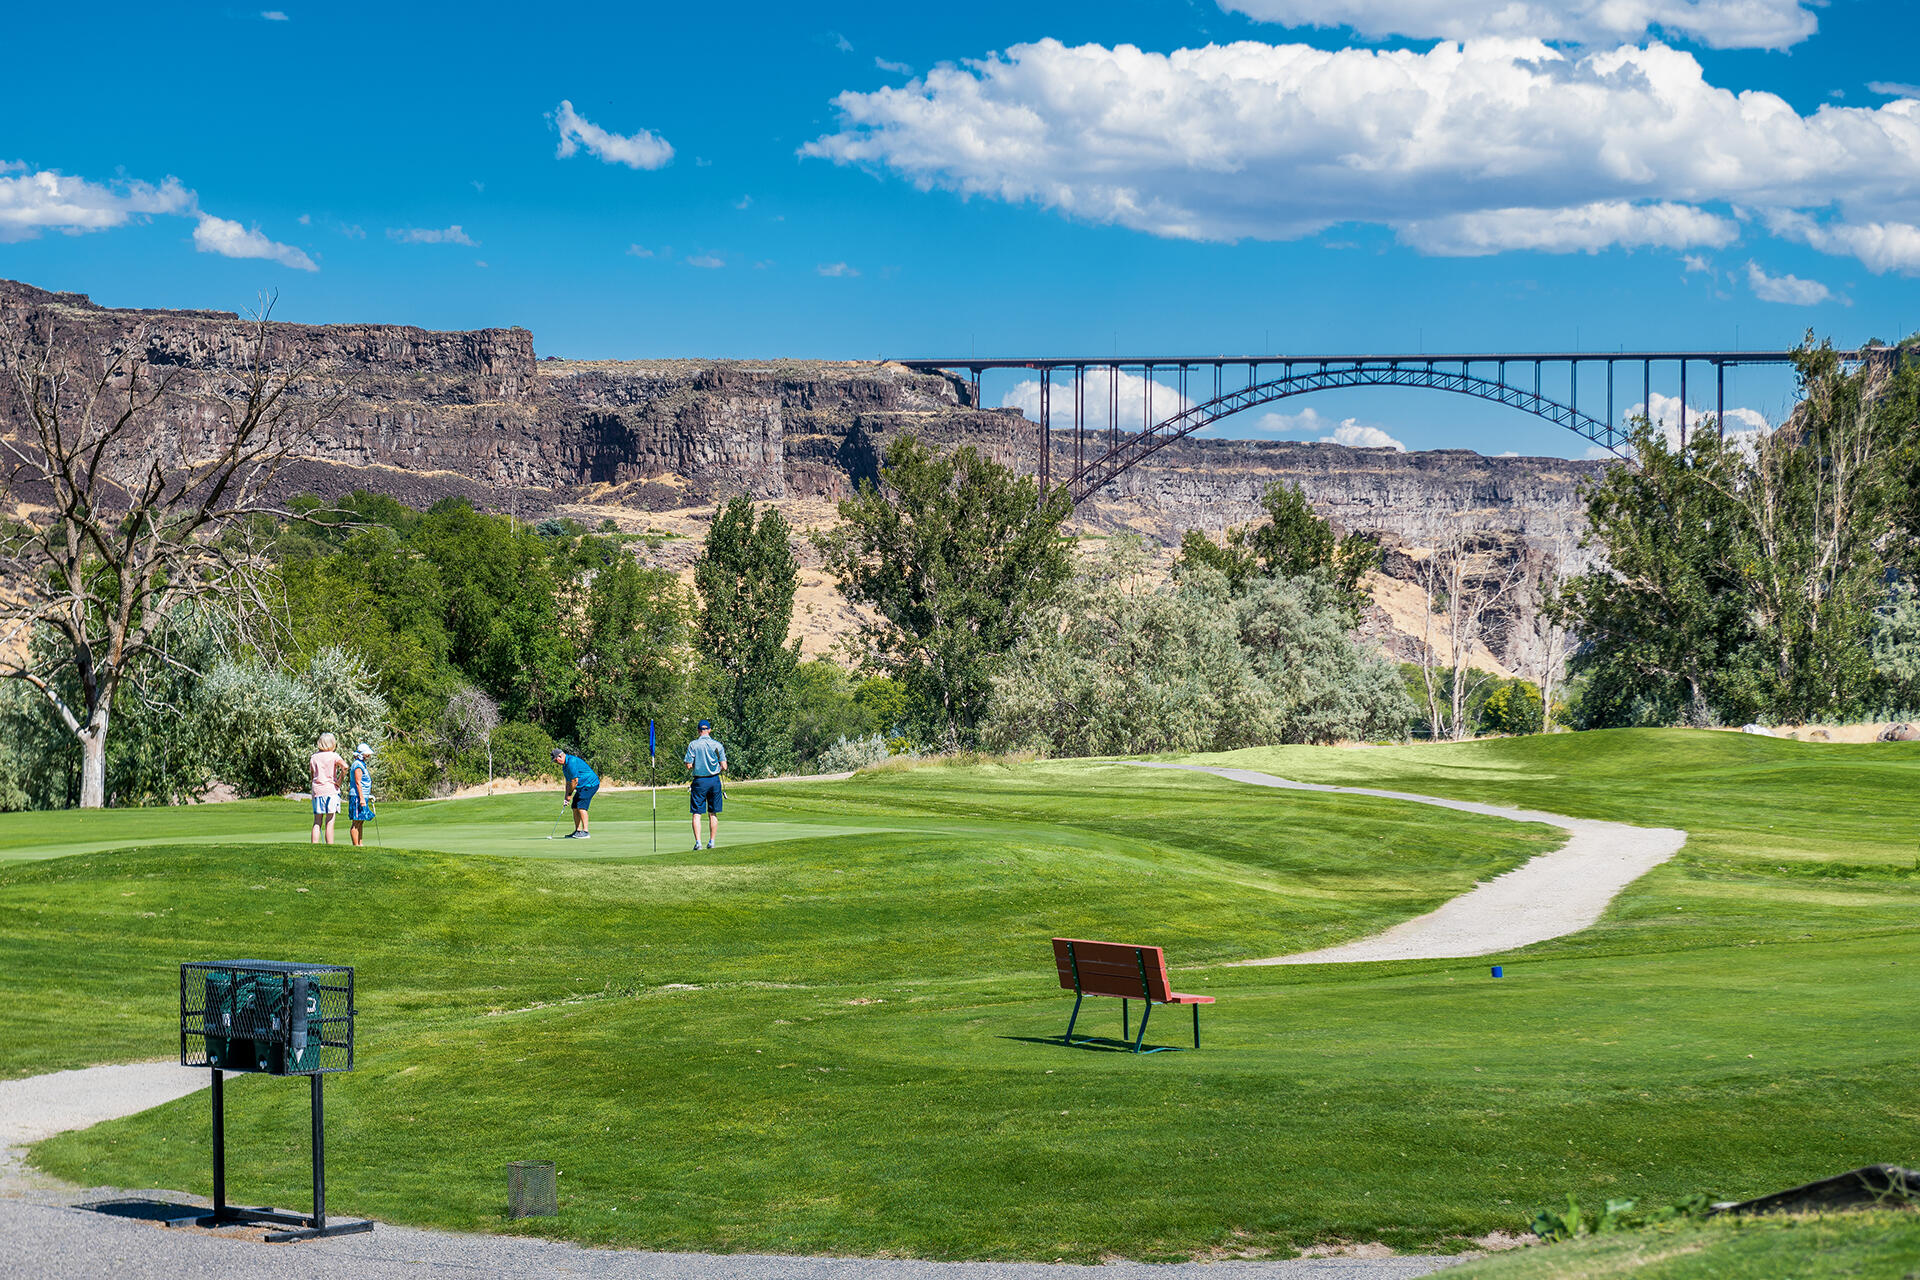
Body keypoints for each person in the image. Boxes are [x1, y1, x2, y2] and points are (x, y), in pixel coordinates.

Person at [684, 719, 727, 850]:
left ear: (698, 731)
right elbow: (724, 766)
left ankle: (698, 843)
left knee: (697, 813)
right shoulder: (717, 745)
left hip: (699, 781)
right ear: (709, 730)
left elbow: (688, 765)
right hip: (714, 781)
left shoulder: (693, 745)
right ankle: (712, 842)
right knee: (712, 813)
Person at [551, 747, 599, 839]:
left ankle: (585, 832)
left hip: (590, 784)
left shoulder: (571, 762)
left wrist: (570, 794)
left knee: (581, 806)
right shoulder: (565, 767)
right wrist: (566, 797)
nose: (556, 763)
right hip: (582, 785)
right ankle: (578, 831)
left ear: (560, 756)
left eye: (556, 760)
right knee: (574, 806)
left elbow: (574, 781)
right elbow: (568, 783)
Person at [309, 733, 347, 845]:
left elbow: (312, 774)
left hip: (317, 790)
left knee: (317, 821)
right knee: (329, 821)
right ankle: (330, 845)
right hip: (330, 790)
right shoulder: (334, 756)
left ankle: (314, 845)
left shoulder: (314, 757)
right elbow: (345, 766)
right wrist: (340, 780)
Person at [347, 743, 376, 847]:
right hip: (357, 796)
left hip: (362, 796)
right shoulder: (357, 765)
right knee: (356, 821)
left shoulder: (362, 764)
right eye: (367, 754)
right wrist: (362, 798)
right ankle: (356, 846)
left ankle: (360, 843)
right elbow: (358, 783)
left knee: (361, 821)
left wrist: (367, 796)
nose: (369, 755)